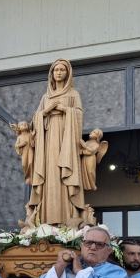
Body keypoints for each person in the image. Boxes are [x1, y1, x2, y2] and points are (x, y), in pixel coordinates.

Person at [25, 59, 93, 227]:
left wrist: (65, 110)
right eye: (56, 70)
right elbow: (35, 120)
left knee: (65, 173)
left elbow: (79, 115)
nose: (59, 72)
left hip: (66, 141)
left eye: (63, 69)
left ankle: (67, 219)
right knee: (49, 174)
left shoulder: (73, 94)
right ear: (52, 74)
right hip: (48, 142)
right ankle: (45, 219)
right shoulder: (45, 96)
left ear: (68, 73)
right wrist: (47, 111)